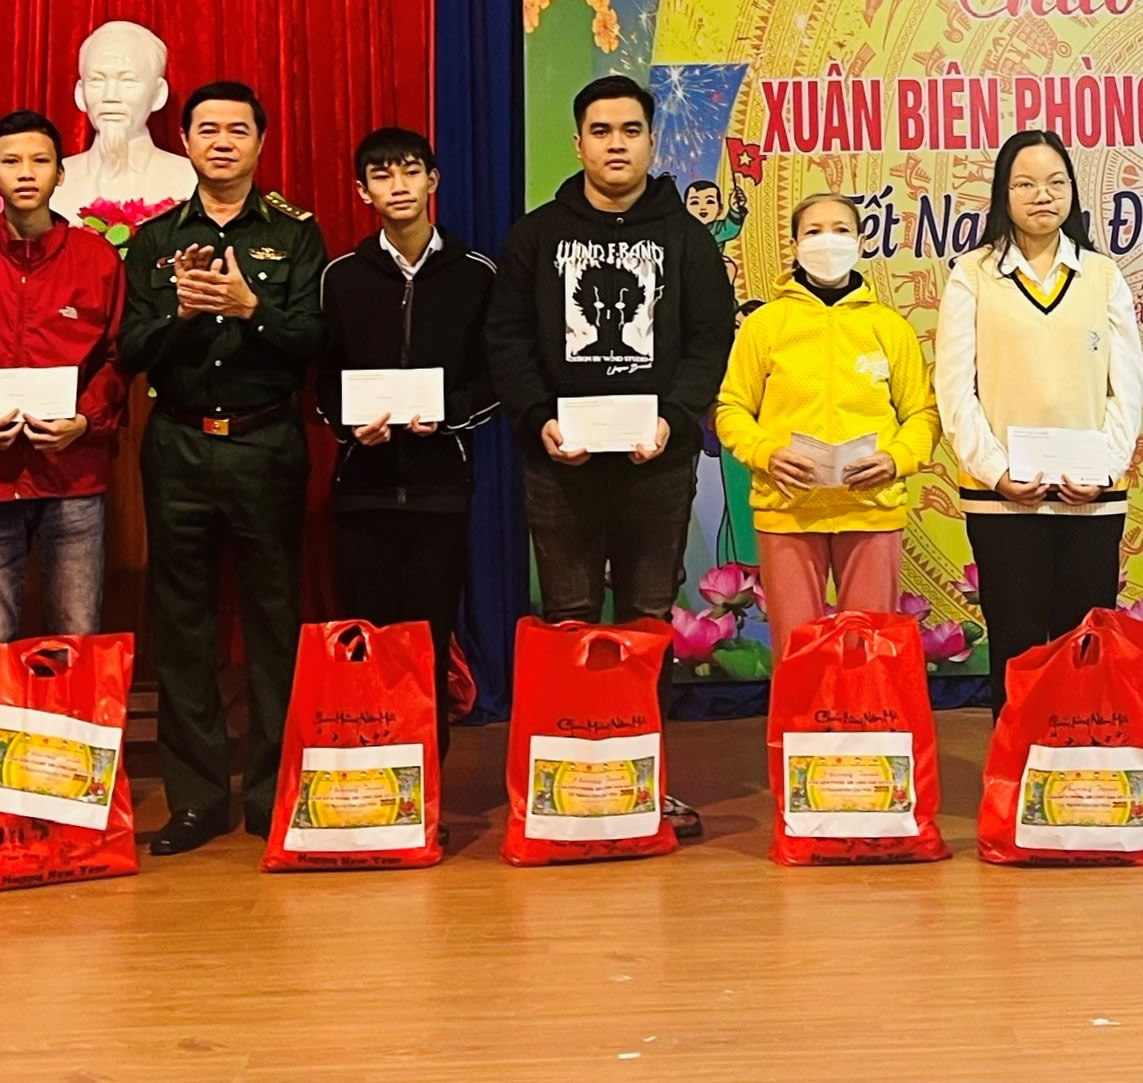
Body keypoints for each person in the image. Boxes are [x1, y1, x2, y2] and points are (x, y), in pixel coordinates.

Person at [486, 74, 735, 837]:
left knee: (646, 619)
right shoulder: (536, 234)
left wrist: (672, 417)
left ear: (650, 140)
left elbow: (708, 340)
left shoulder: (685, 238)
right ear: (578, 142)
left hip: (653, 465)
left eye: (630, 130)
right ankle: (570, 781)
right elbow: (506, 339)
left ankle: (640, 776)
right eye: (601, 131)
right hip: (558, 463)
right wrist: (536, 419)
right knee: (565, 619)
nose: (616, 143)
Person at [119, 81, 326, 855]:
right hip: (177, 445)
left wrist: (249, 309)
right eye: (207, 129)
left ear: (260, 142)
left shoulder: (296, 235)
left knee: (274, 624)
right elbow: (129, 352)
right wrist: (178, 310)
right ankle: (197, 799)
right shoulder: (154, 239)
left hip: (265, 444)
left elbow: (313, 339)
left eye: (238, 129)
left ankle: (273, 792)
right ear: (186, 139)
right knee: (184, 628)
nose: (223, 142)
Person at [935, 128, 1143, 711]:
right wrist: (997, 470)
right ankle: (1021, 772)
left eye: (1056, 182)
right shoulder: (972, 274)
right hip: (1004, 499)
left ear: (1074, 192)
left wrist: (1103, 471)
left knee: (1087, 643)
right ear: (1002, 193)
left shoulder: (1103, 275)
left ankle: (1084, 766)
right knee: (1018, 641)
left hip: (1090, 497)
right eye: (1024, 183)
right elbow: (955, 387)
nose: (1042, 195)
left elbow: (1127, 387)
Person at [316, 127, 498, 769]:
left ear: (433, 181)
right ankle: (369, 765)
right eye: (383, 175)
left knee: (428, 637)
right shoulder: (340, 276)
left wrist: (448, 414)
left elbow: (493, 374)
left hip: (439, 488)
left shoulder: (476, 274)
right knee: (367, 636)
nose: (399, 185)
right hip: (361, 487)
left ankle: (427, 774)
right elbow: (321, 375)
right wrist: (347, 424)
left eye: (411, 171)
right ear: (363, 191)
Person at [0, 109, 127, 642]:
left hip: (73, 475)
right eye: (11, 161)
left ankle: (74, 730)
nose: (26, 172)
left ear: (61, 173)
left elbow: (118, 358)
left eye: (40, 160)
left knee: (76, 638)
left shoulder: (97, 258)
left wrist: (86, 419)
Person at [715, 192, 940, 652]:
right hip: (788, 509)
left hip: (871, 507)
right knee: (798, 649)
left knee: (869, 647)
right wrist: (766, 454)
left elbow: (922, 413)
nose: (828, 241)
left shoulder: (888, 326)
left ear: (860, 241)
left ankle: (867, 726)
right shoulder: (766, 324)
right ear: (794, 245)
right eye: (814, 232)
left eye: (841, 230)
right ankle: (799, 728)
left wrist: (896, 459)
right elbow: (732, 408)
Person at [50, 20, 197, 222]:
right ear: (80, 93)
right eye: (97, 80)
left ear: (158, 94)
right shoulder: (50, 183)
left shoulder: (190, 179)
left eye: (128, 81)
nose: (111, 95)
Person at [684, 178, 747, 247]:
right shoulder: (683, 231)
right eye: (695, 202)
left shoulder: (717, 229)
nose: (702, 207)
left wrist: (735, 208)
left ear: (720, 208)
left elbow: (730, 230)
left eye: (710, 202)